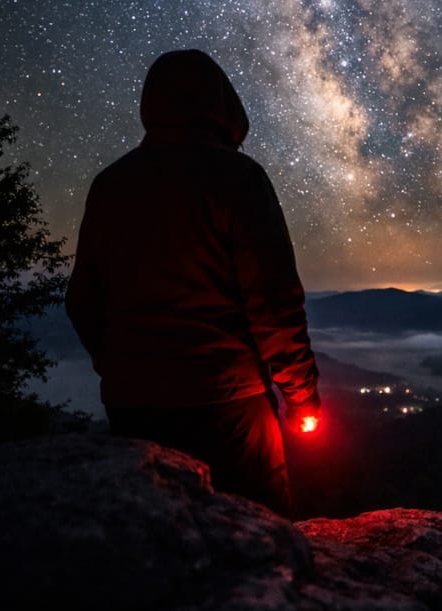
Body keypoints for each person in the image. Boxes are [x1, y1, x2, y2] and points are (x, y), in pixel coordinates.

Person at [65, 48, 320, 517]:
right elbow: (273, 302)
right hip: (229, 409)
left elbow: (82, 298)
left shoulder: (111, 185)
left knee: (156, 542)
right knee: (259, 540)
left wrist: (122, 366)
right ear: (222, 103)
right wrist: (302, 397)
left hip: (134, 407)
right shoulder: (238, 178)